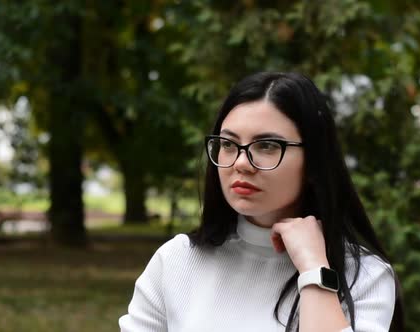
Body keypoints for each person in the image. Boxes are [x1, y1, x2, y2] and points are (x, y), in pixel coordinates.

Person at [119, 72, 403, 331]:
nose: (241, 163)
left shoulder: (365, 276)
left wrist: (314, 268)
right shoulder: (177, 261)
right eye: (229, 144)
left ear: (315, 162)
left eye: (267, 146)